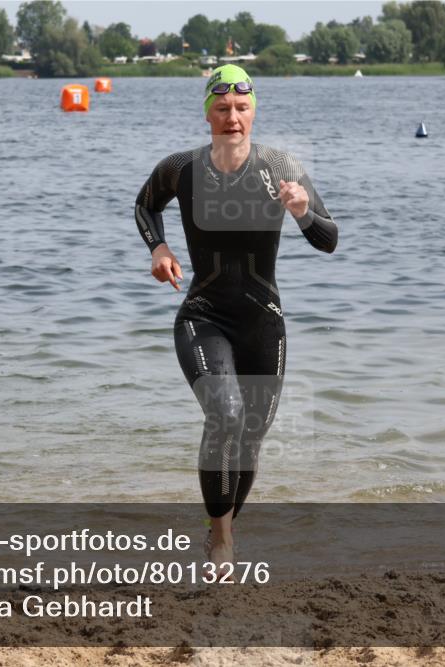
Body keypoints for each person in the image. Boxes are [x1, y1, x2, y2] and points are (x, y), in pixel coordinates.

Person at [134, 65, 338, 566]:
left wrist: (302, 210)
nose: (232, 117)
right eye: (222, 108)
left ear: (254, 110)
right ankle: (223, 540)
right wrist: (159, 249)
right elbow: (144, 205)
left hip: (263, 322)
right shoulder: (181, 167)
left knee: (250, 437)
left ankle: (216, 526)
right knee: (224, 414)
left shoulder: (280, 166)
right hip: (202, 315)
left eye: (241, 108)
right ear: (207, 113)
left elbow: (328, 239)